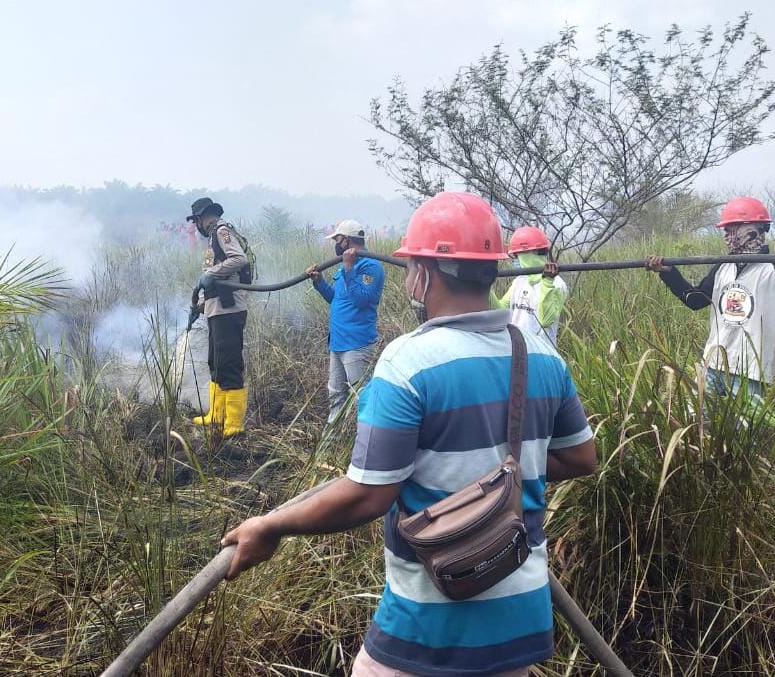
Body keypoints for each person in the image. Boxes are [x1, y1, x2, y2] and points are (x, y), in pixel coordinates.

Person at [222, 192, 597, 677]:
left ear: (425, 272)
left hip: (427, 630)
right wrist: (489, 472)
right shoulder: (544, 358)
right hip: (519, 625)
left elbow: (368, 495)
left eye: (411, 268)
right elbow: (582, 458)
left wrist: (270, 526)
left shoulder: (408, 361)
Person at [647, 196, 775, 398]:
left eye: (731, 229)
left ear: (752, 230)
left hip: (752, 373)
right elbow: (695, 301)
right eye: (725, 230)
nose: (727, 236)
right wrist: (669, 273)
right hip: (713, 364)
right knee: (698, 423)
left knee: (745, 429)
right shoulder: (723, 266)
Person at [306, 219, 385, 425]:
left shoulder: (371, 266)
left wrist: (350, 269)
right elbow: (336, 299)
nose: (336, 244)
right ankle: (331, 442)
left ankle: (365, 441)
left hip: (357, 344)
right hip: (337, 343)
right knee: (336, 396)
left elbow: (361, 300)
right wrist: (319, 282)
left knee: (361, 397)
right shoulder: (343, 267)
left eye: (337, 240)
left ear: (347, 240)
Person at [188, 197, 250, 437]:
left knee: (230, 364)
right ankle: (217, 414)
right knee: (216, 362)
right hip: (217, 309)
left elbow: (239, 259)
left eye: (196, 221)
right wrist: (201, 304)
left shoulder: (222, 231)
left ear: (204, 218)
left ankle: (234, 425)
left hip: (230, 310)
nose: (196, 227)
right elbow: (215, 280)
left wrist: (211, 273)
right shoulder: (213, 236)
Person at [492, 227, 568, 346]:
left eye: (517, 256)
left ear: (528, 254)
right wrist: (486, 287)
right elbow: (500, 309)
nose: (516, 260)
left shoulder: (556, 284)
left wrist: (547, 283)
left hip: (541, 352)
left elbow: (546, 320)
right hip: (517, 350)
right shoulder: (520, 281)